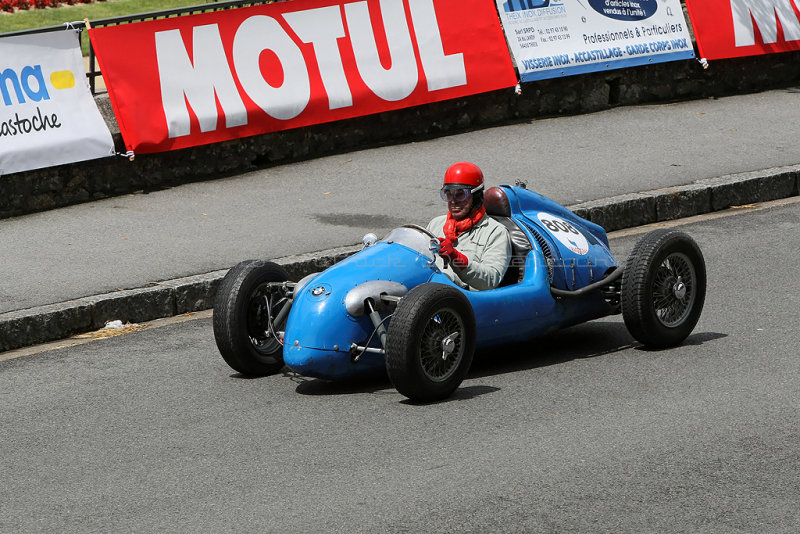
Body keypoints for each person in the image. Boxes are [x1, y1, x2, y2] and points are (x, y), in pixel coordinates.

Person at [426, 162, 511, 290]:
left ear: (476, 197)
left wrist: (456, 258)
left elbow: (491, 280)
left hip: (463, 301)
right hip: (426, 293)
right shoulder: (436, 224)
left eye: (460, 194)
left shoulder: (496, 232)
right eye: (448, 194)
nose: (453, 201)